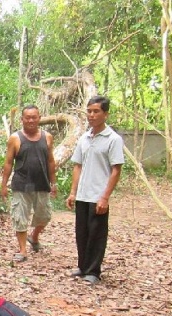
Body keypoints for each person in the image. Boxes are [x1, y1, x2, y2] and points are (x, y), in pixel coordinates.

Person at [66, 96, 124, 285]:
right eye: (89, 111)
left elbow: (116, 169)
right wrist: (73, 192)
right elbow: (78, 166)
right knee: (81, 232)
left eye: (96, 111)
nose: (91, 115)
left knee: (96, 233)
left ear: (105, 114)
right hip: (83, 194)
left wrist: (105, 197)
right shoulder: (84, 138)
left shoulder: (113, 139)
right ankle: (82, 266)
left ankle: (93, 271)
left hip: (98, 194)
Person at [1, 105, 57, 262]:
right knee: (20, 217)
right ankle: (23, 250)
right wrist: (4, 184)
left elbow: (51, 161)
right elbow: (8, 163)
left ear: (39, 118)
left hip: (42, 183)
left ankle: (34, 237)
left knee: (44, 216)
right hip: (21, 184)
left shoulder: (47, 137)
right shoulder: (15, 138)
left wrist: (54, 183)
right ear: (22, 119)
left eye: (34, 117)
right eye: (27, 117)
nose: (31, 120)